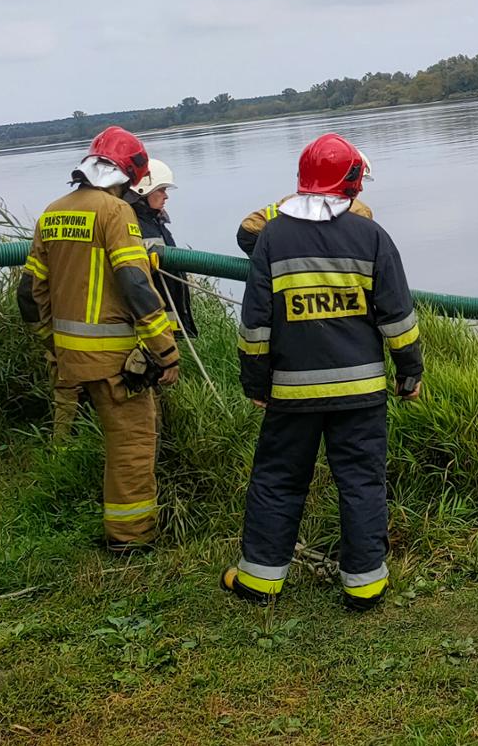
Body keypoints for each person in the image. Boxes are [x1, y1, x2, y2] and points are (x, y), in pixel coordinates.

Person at [225, 133, 422, 610]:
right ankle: (365, 584)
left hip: (291, 393)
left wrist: (255, 382)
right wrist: (409, 373)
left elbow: (255, 323)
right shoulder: (371, 236)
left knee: (277, 478)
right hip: (362, 393)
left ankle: (260, 581)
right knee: (361, 481)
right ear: (353, 183)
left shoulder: (271, 237)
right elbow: (398, 316)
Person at [18, 127, 181, 553]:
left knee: (110, 441)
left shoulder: (52, 212)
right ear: (128, 175)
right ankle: (131, 537)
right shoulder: (114, 213)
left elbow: (28, 294)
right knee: (131, 446)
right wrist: (165, 349)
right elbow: (135, 284)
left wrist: (51, 342)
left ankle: (120, 526)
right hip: (115, 361)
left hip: (70, 356)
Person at [234, 151, 375, 255]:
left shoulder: (293, 201)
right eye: (358, 182)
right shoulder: (359, 210)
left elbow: (247, 231)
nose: (360, 187)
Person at [127, 159, 198, 338]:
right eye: (161, 190)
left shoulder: (155, 222)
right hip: (153, 330)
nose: (166, 196)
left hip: (166, 326)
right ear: (143, 190)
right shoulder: (134, 225)